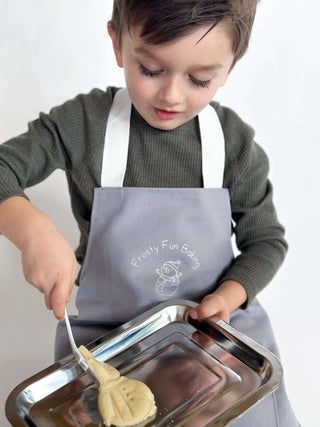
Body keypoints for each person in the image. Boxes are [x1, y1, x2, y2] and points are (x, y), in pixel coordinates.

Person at [0, 0, 299, 425]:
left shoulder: (233, 145)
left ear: (231, 66)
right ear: (118, 44)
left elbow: (266, 241)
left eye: (199, 79)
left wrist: (228, 295)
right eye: (151, 70)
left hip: (213, 335)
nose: (171, 96)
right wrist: (31, 230)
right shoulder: (84, 125)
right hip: (111, 339)